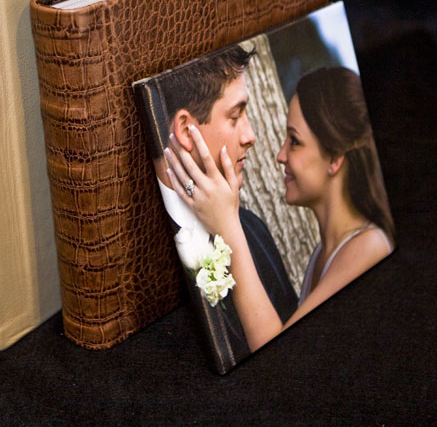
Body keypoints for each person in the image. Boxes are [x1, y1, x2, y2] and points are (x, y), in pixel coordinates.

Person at [167, 66, 395, 352]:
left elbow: (281, 354)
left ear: (334, 158)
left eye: (295, 141)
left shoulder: (368, 247)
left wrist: (228, 226)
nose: (280, 155)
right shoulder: (322, 255)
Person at [149, 44, 297, 365]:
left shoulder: (254, 229)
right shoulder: (148, 250)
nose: (250, 136)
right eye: (235, 115)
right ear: (186, 130)